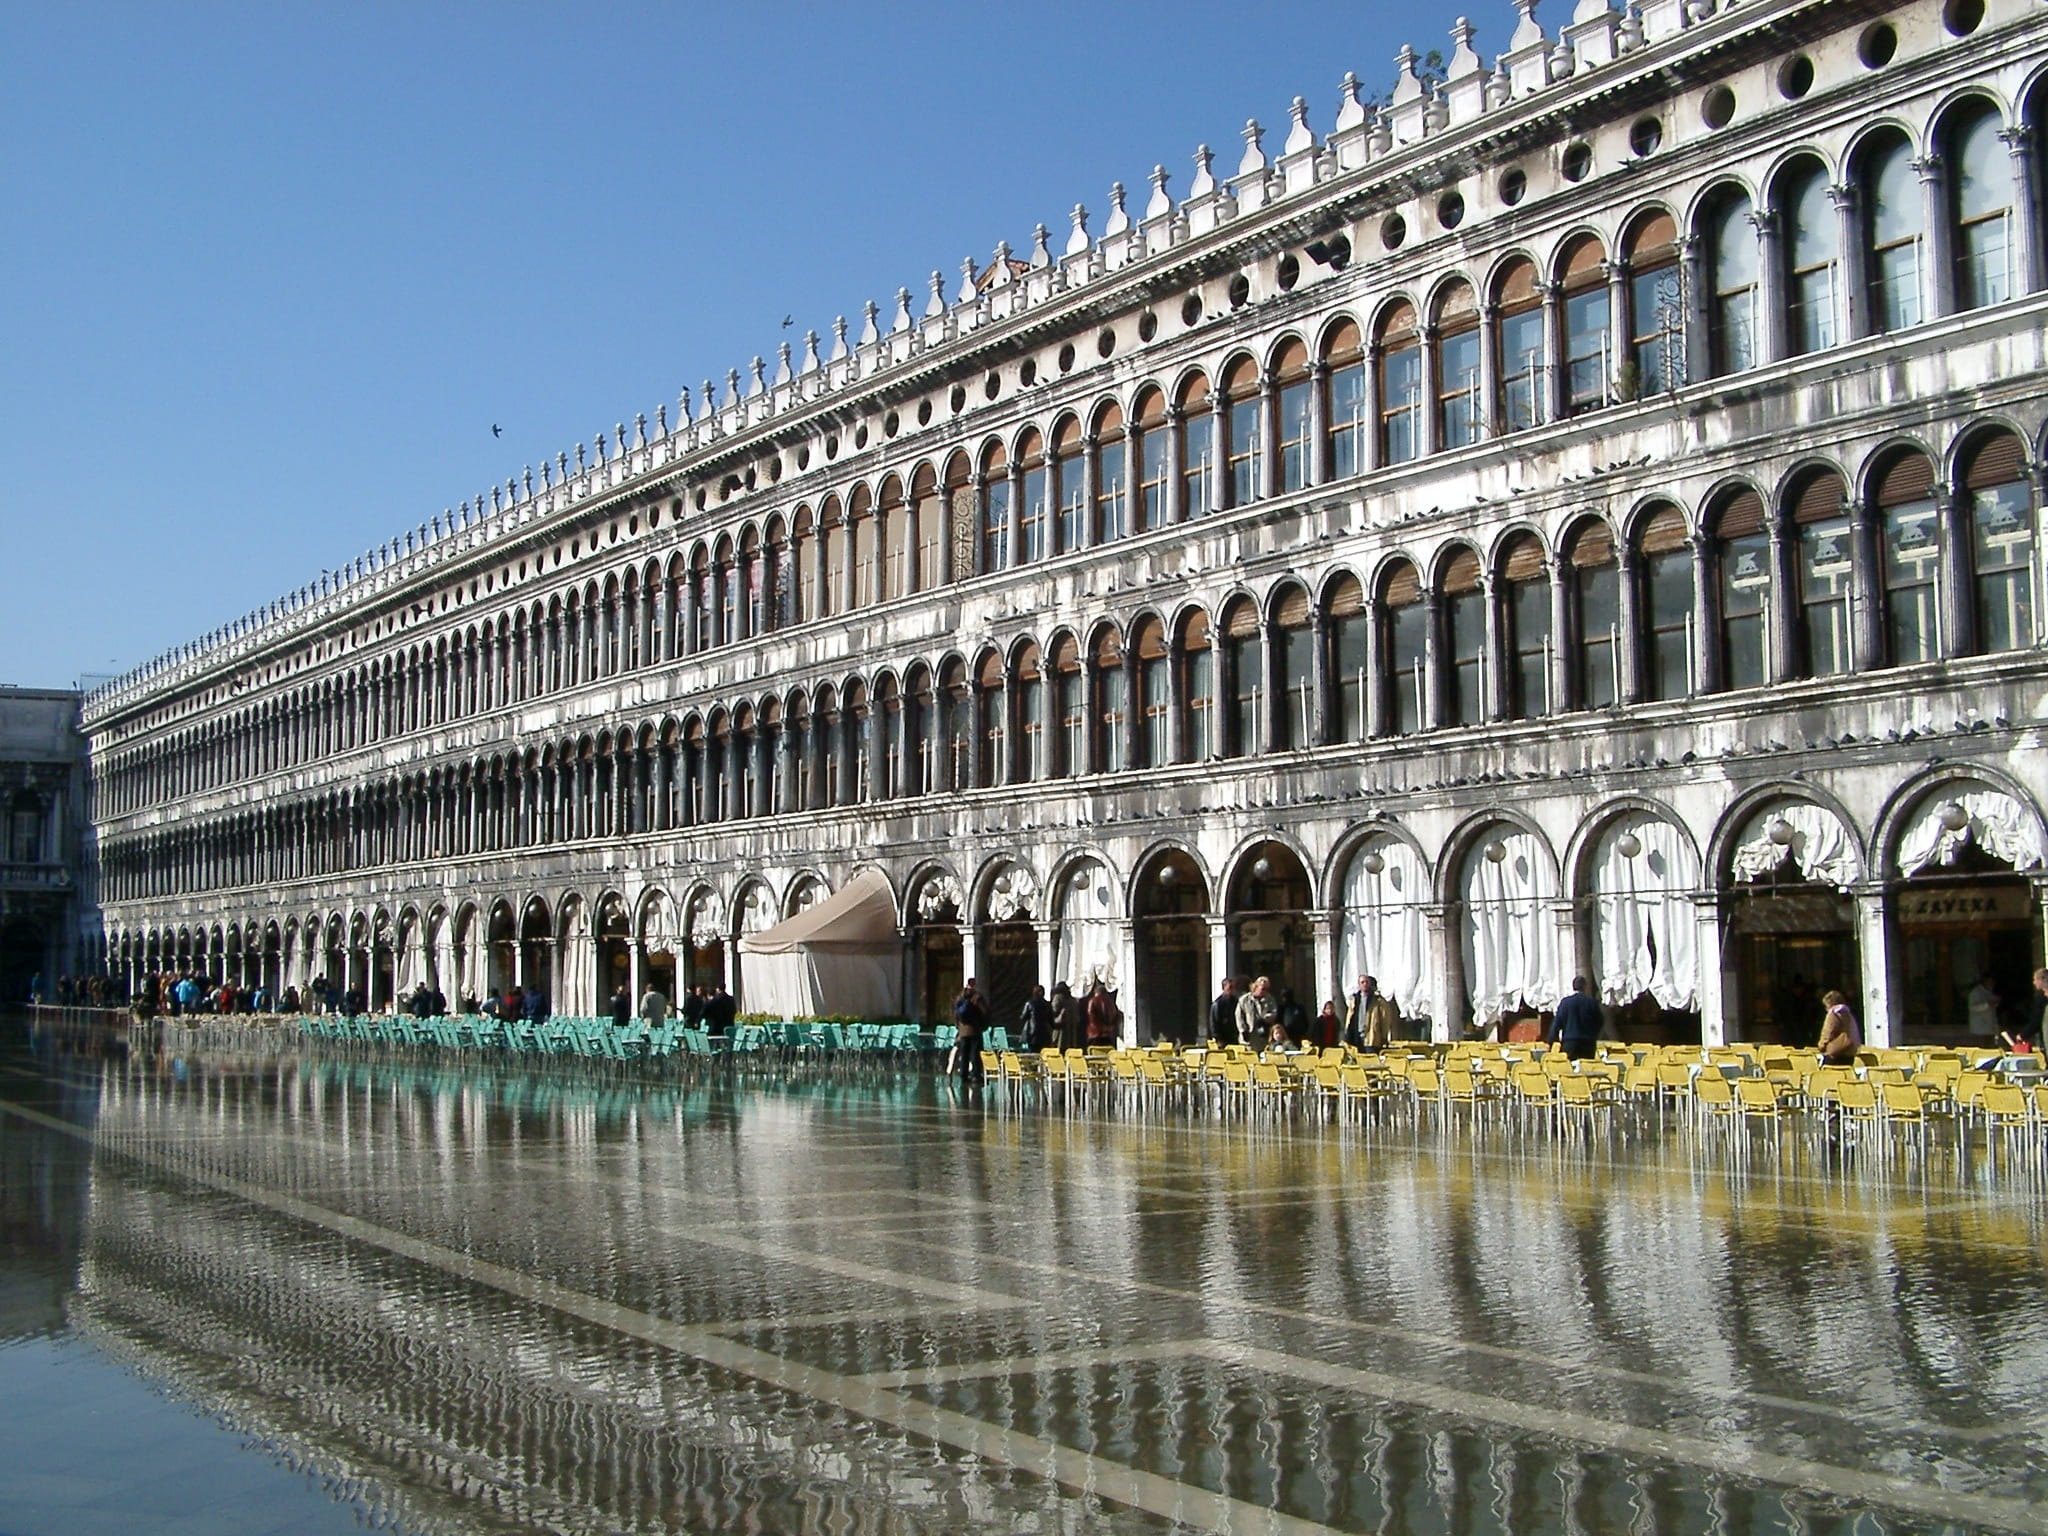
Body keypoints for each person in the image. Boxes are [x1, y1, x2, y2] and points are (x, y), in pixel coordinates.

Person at [1552, 975, 1602, 1061]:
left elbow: (1557, 1023)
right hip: (1587, 1042)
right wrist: (1594, 1034)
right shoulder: (1591, 1002)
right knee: (1587, 1068)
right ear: (1585, 986)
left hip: (1569, 1041)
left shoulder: (1565, 1002)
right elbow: (1600, 1021)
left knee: (1570, 1069)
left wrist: (1552, 1040)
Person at [952, 983, 988, 1083]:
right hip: (975, 1031)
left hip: (963, 1032)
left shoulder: (960, 999)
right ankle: (976, 1075)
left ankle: (963, 1075)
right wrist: (983, 1025)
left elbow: (956, 1015)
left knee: (964, 1055)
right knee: (975, 1055)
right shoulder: (977, 999)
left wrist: (959, 1027)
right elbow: (985, 1013)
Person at [1817, 989, 1861, 1065]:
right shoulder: (1849, 1014)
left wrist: (1821, 1046)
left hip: (1835, 1054)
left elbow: (1828, 1033)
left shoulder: (1833, 1014)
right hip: (1849, 1053)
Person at [1235, 976, 1278, 1047]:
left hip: (1263, 1035)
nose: (1265, 991)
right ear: (1256, 987)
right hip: (1249, 1035)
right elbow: (1239, 1016)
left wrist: (1265, 1019)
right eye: (1263, 989)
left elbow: (1274, 1012)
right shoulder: (1244, 1000)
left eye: (1267, 989)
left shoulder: (1270, 999)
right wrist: (1243, 1030)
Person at [1083, 980, 1121, 1047]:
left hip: (1095, 1033)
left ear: (1096, 992)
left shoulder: (1093, 1001)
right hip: (1108, 1034)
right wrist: (1110, 1027)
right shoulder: (1111, 1002)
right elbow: (1117, 1016)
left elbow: (1091, 1016)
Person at [1019, 983, 1054, 1052]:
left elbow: (1023, 1017)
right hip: (1045, 1033)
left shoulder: (1029, 1003)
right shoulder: (1048, 1005)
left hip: (1032, 1033)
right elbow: (1051, 1020)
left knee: (1032, 1052)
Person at [1967, 974, 2002, 1043]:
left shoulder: (1990, 991)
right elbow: (1972, 1007)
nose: (1992, 984)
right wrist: (1987, 1005)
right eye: (1990, 981)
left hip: (1990, 1026)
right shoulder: (1976, 992)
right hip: (1980, 1026)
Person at [1209, 977, 1240, 1045]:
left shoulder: (1236, 1001)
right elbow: (1214, 1022)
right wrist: (1217, 1037)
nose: (1232, 990)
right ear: (1224, 988)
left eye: (1234, 987)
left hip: (1234, 1036)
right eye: (1230, 987)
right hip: (1223, 1037)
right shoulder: (1218, 1004)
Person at [1049, 982, 1078, 1052]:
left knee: (1059, 1051)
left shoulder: (1058, 998)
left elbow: (1053, 1010)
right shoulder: (1073, 1000)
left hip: (1060, 1030)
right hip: (1071, 1032)